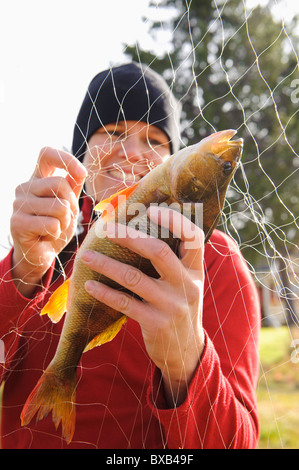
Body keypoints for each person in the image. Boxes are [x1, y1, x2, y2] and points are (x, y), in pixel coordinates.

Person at [0, 62, 260, 449]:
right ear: (81, 154)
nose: (133, 153)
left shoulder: (217, 261)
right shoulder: (45, 245)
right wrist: (21, 272)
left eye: (154, 140)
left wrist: (186, 360)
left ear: (175, 159)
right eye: (114, 132)